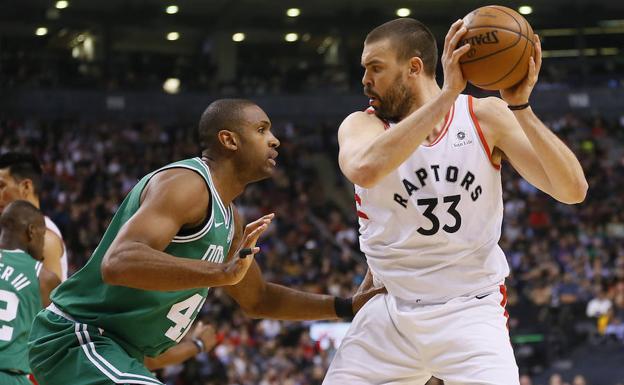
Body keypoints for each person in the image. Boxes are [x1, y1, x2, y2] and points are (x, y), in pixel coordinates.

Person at [28, 99, 385, 385]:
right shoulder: (187, 184)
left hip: (119, 350)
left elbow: (258, 298)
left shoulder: (230, 217)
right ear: (229, 140)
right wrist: (220, 272)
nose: (274, 139)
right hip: (78, 338)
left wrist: (345, 306)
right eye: (262, 130)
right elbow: (118, 262)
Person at [323, 18, 587, 385]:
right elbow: (365, 169)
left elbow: (573, 190)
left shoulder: (484, 117)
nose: (365, 80)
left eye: (375, 68)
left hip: (471, 310)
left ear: (414, 67)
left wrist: (521, 107)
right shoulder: (360, 125)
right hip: (390, 310)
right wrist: (446, 95)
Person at [0, 200, 61, 384]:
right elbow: (56, 346)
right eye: (43, 236)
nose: (43, 245)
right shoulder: (44, 278)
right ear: (32, 232)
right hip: (11, 376)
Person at [0, 153, 68, 281]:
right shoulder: (12, 231)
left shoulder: (45, 238)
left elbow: (49, 299)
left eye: (1, 186)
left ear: (26, 186)